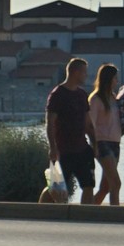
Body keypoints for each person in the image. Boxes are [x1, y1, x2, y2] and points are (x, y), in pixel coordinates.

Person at [45, 56, 95, 205]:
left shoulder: (82, 95)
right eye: (84, 72)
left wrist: (95, 145)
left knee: (88, 185)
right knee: (55, 187)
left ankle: (85, 217)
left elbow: (87, 123)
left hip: (82, 149)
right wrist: (53, 148)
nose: (86, 75)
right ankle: (39, 210)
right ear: (75, 72)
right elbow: (50, 123)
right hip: (64, 150)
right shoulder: (58, 94)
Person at [88, 63, 124, 206]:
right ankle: (115, 215)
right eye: (114, 78)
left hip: (115, 142)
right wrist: (94, 145)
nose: (117, 81)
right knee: (116, 183)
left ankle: (89, 213)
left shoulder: (114, 98)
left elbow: (120, 118)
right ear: (108, 79)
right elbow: (90, 124)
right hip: (102, 143)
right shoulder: (96, 99)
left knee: (106, 187)